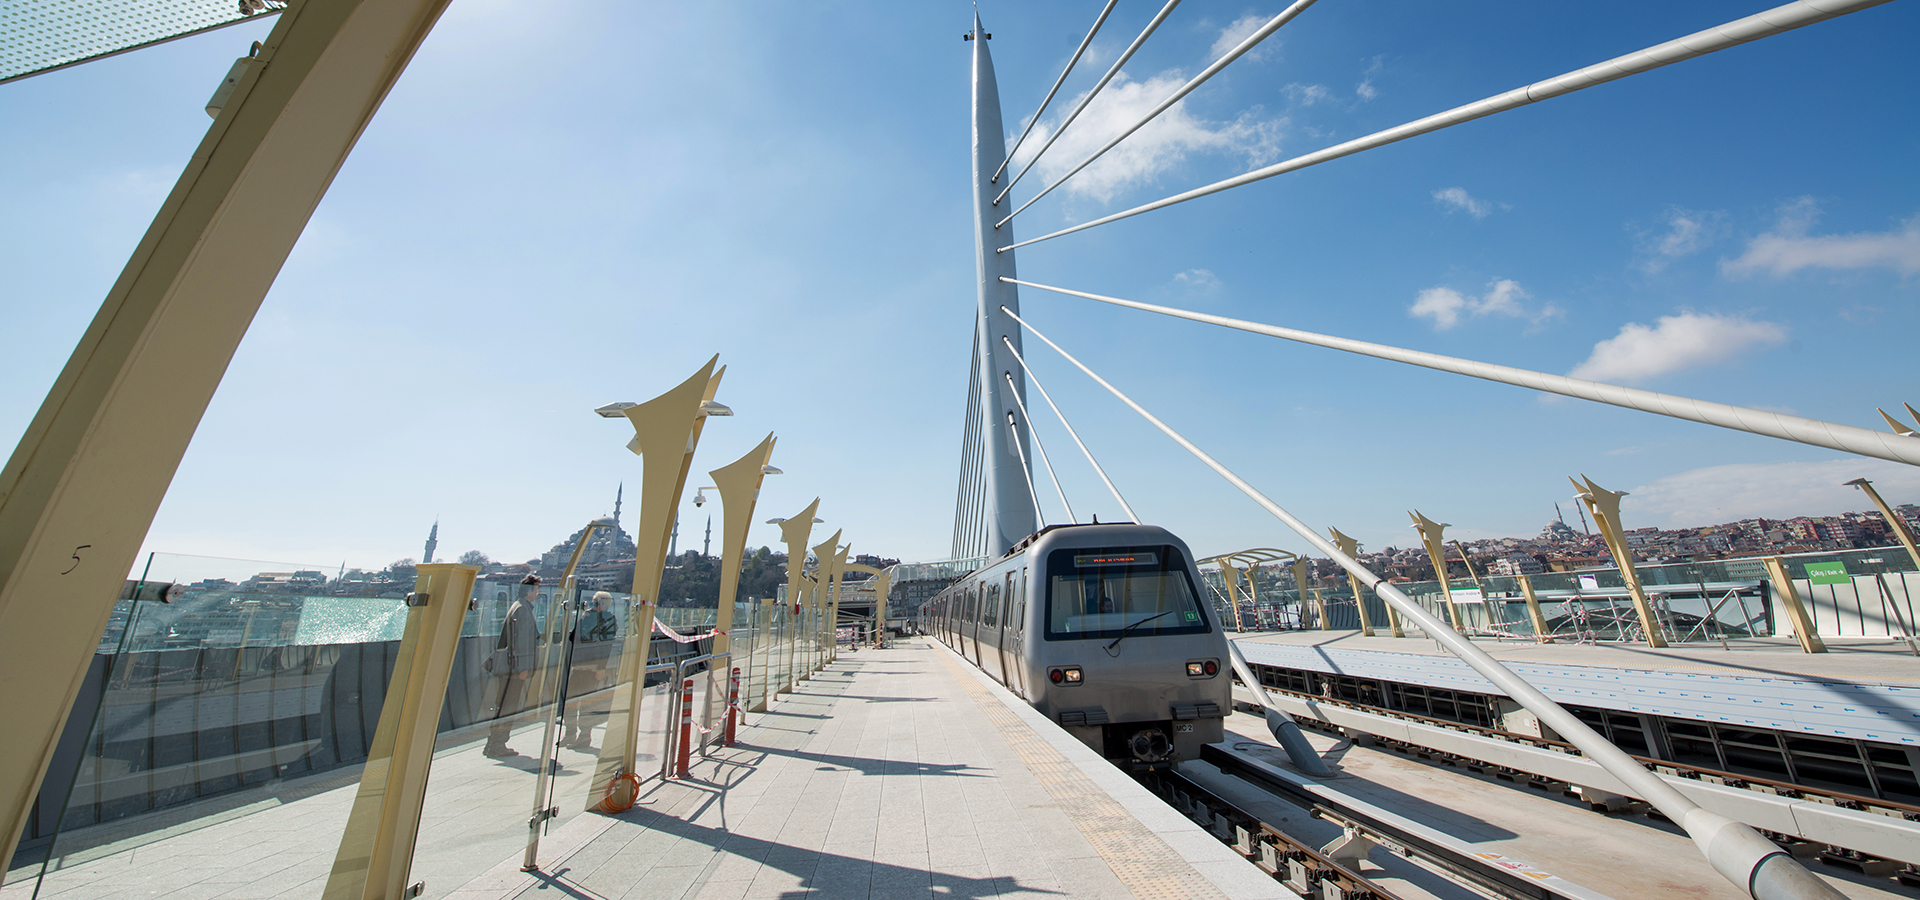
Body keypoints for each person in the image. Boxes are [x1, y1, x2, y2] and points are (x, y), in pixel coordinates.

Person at [483, 574, 540, 758]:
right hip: (515, 668)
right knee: (508, 706)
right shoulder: (522, 610)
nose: (538, 592)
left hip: (510, 666)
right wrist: (524, 668)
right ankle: (497, 744)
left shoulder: (518, 607)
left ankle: (493, 744)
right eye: (537, 589)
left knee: (503, 705)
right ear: (529, 591)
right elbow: (521, 642)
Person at [563, 591, 618, 751]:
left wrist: (601, 668)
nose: (594, 605)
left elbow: (606, 646)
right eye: (593, 602)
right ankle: (570, 732)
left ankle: (584, 736)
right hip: (579, 665)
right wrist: (581, 619)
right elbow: (573, 637)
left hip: (593, 668)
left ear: (605, 605)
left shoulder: (609, 620)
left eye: (597, 602)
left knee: (586, 704)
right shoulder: (586, 617)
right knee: (570, 702)